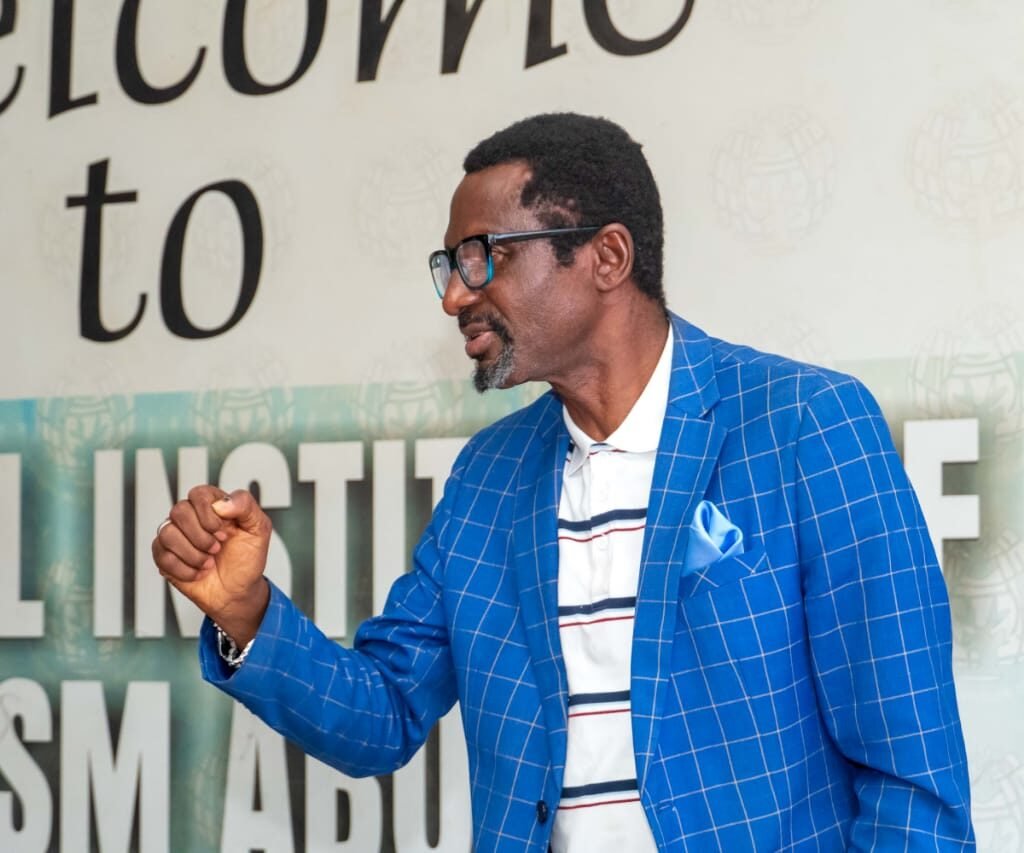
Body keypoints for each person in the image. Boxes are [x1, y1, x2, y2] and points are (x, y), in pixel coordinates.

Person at [152, 113, 974, 851]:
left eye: (483, 256)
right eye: (450, 264)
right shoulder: (487, 478)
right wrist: (245, 611)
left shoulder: (804, 425)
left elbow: (912, 774)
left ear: (606, 256)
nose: (455, 295)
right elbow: (383, 713)